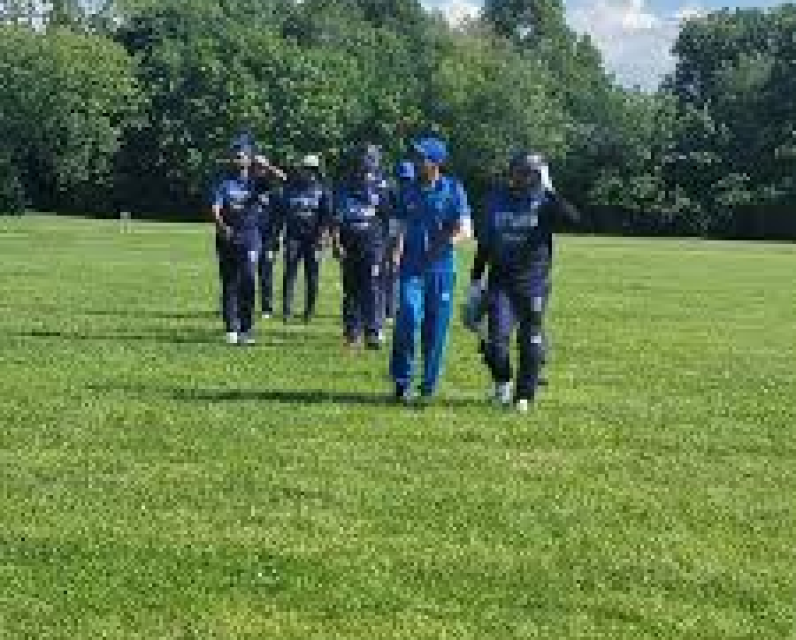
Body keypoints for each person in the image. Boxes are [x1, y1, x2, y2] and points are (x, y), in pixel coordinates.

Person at [473, 151, 578, 412]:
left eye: (526, 173)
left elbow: (573, 219)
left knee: (530, 338)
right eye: (517, 171)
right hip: (501, 280)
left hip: (533, 282)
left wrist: (550, 190)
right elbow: (485, 242)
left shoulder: (545, 201)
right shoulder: (496, 198)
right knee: (495, 340)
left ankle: (524, 396)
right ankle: (503, 382)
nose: (519, 177)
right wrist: (475, 280)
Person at [389, 137, 471, 404]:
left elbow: (465, 230)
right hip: (411, 268)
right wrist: (396, 250)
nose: (415, 161)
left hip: (441, 269)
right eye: (415, 156)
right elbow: (399, 225)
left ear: (436, 162)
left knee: (436, 329)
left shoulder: (453, 189)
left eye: (421, 157)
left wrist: (446, 243)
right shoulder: (407, 190)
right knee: (407, 318)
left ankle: (428, 386)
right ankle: (402, 383)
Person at [332, 144, 391, 348]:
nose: (366, 163)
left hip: (373, 243)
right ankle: (352, 332)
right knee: (351, 287)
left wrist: (386, 245)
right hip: (349, 241)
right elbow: (336, 216)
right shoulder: (345, 184)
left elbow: (388, 217)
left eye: (370, 159)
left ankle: (372, 332)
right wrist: (336, 242)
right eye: (363, 159)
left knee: (371, 286)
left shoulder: (382, 185)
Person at [210, 134, 262, 345]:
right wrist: (221, 226)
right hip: (227, 237)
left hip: (250, 237)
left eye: (242, 156)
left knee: (248, 280)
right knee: (229, 282)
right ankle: (231, 327)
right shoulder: (223, 181)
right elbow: (215, 207)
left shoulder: (257, 181)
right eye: (235, 156)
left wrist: (266, 165)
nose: (237, 159)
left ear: (250, 159)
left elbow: (283, 180)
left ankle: (246, 329)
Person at [276, 154, 332, 323]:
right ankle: (287, 311)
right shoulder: (291, 187)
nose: (307, 172)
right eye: (305, 169)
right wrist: (278, 234)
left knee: (312, 275)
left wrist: (323, 237)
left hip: (314, 239)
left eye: (310, 169)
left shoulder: (322, 190)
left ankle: (309, 311)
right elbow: (282, 212)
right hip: (293, 237)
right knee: (290, 273)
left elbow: (326, 216)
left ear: (316, 171)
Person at [252, 154, 286, 320]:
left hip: (268, 239)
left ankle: (266, 308)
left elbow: (286, 179)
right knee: (244, 272)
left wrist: (275, 240)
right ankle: (241, 303)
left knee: (265, 272)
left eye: (261, 167)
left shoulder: (276, 191)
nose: (258, 169)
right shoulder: (249, 185)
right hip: (250, 236)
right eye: (256, 166)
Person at [382, 160, 415, 325]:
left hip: (396, 231)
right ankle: (393, 309)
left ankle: (391, 309)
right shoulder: (414, 190)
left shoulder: (391, 188)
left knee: (393, 272)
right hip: (401, 232)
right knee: (397, 272)